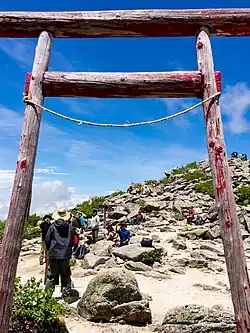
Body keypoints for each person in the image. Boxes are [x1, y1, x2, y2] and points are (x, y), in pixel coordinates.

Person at [45, 207, 74, 300]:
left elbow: (47, 240)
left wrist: (50, 249)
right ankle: (66, 297)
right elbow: (73, 240)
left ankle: (47, 298)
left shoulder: (52, 226)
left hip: (54, 254)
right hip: (65, 255)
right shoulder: (70, 226)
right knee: (65, 275)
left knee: (51, 276)